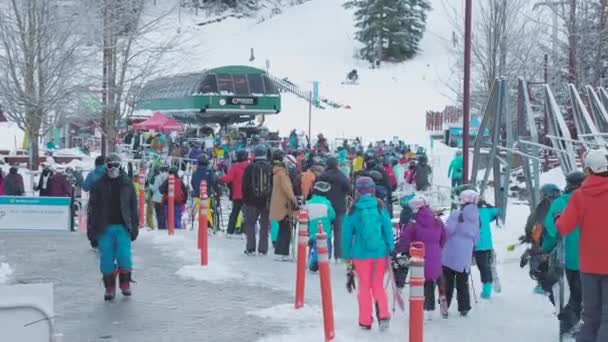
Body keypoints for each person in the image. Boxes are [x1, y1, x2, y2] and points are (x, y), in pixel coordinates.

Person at [557, 149, 608, 342]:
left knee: (589, 317)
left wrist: (557, 218)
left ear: (588, 170)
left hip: (588, 265)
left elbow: (563, 227)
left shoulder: (579, 196)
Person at [342, 176, 394, 331]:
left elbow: (346, 236)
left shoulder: (353, 211)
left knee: (364, 287)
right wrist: (390, 248)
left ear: (357, 191)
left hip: (360, 255)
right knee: (378, 285)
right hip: (379, 254)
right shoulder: (379, 208)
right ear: (372, 190)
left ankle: (365, 321)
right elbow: (388, 231)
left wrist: (347, 256)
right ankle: (384, 315)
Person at [88, 153, 138, 301]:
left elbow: (133, 208)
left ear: (120, 165)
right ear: (106, 167)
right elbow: (92, 209)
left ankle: (125, 284)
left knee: (124, 257)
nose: (113, 169)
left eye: (116, 165)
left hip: (123, 226)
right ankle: (109, 287)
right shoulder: (98, 185)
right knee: (106, 260)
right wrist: (92, 233)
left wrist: (134, 227)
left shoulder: (127, 184)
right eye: (110, 165)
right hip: (104, 227)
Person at [543, 171, 585, 335]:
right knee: (586, 294)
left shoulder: (559, 203)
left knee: (574, 291)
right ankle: (574, 319)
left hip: (568, 257)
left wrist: (544, 249)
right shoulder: (592, 199)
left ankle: (570, 321)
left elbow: (552, 230)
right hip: (594, 257)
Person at [396, 195, 446, 318]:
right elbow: (444, 237)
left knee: (422, 282)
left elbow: (404, 240)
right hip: (435, 254)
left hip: (420, 256)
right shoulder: (437, 221)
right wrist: (438, 248)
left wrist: (396, 250)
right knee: (433, 279)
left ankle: (425, 310)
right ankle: (436, 302)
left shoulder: (413, 224)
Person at [441, 189, 480, 317]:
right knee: (463, 282)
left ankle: (445, 307)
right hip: (465, 255)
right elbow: (476, 238)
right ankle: (464, 307)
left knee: (448, 282)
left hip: (451, 253)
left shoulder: (457, 215)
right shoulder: (476, 217)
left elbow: (449, 231)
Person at [241, 145, 273, 255]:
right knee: (264, 225)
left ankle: (250, 248)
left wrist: (245, 200)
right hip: (266, 202)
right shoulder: (270, 167)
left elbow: (244, 185)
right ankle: (263, 249)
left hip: (251, 201)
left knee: (250, 224)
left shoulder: (250, 167)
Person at [318, 157, 352, 261]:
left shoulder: (322, 176)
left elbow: (316, 188)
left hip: (324, 207)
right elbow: (349, 189)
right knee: (338, 232)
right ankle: (338, 255)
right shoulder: (341, 176)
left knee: (324, 231)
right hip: (339, 207)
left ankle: (324, 254)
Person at [270, 149, 298, 261]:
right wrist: (294, 201)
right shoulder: (283, 174)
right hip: (285, 205)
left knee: (283, 227)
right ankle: (283, 252)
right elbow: (287, 189)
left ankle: (279, 251)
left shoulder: (276, 173)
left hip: (278, 203)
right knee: (286, 229)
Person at [305, 181, 336, 272]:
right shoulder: (326, 203)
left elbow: (305, 216)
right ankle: (317, 264)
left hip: (312, 231)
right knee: (326, 248)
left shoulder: (309, 203)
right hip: (325, 230)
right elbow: (332, 215)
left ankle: (311, 261)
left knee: (314, 247)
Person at [474, 198, 500, 299]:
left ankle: (486, 290)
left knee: (482, 267)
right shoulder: (487, 212)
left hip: (477, 245)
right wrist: (488, 205)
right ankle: (488, 287)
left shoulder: (472, 213)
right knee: (487, 266)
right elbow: (497, 211)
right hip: (488, 245)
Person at [220, 150, 249, 235]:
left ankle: (230, 231)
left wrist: (219, 179)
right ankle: (246, 231)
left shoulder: (235, 167)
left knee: (234, 214)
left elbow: (228, 179)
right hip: (248, 194)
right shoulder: (250, 166)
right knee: (246, 214)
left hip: (237, 194)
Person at [151, 165, 169, 229]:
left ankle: (160, 227)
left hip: (157, 198)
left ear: (160, 171)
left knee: (159, 214)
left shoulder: (158, 177)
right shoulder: (168, 177)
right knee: (164, 214)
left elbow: (154, 188)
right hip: (165, 198)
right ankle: (164, 227)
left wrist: (150, 186)